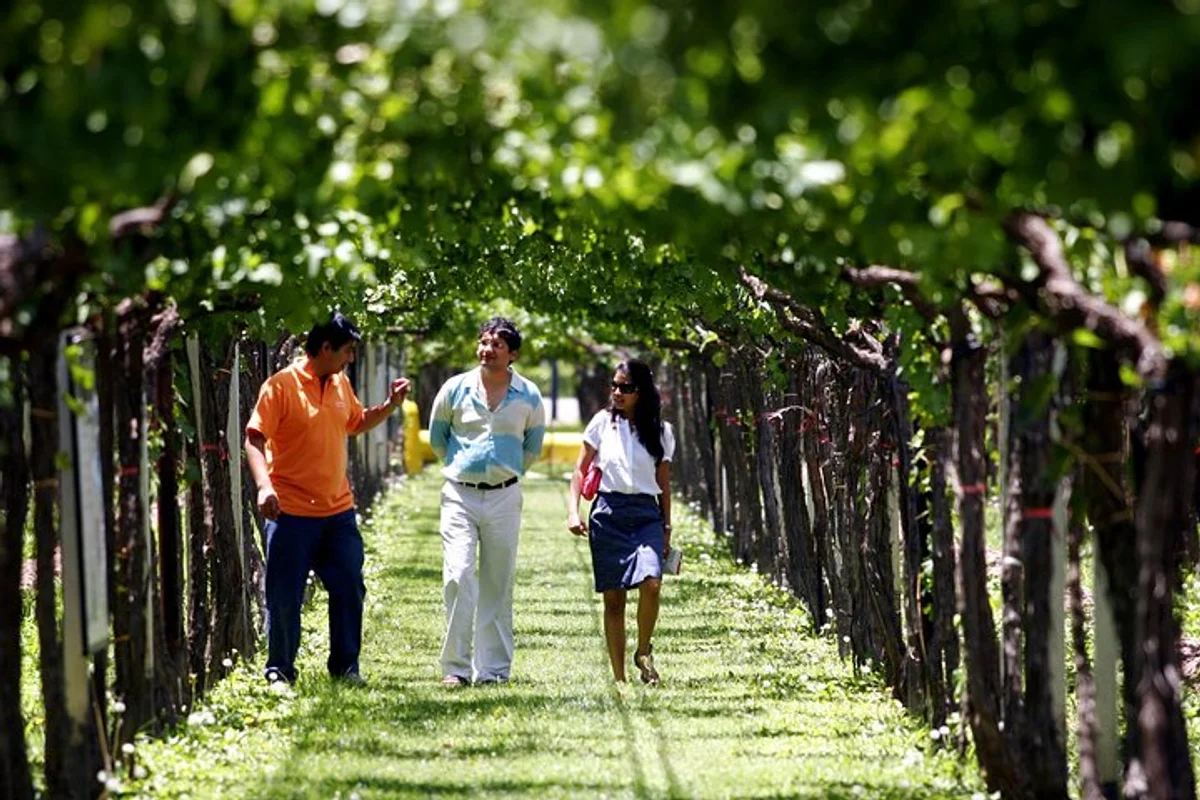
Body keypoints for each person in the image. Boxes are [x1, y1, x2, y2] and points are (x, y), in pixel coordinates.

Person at [244, 312, 410, 687]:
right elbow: (254, 438)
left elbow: (355, 422)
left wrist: (389, 405)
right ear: (325, 348)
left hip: (337, 511)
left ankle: (346, 668)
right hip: (290, 512)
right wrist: (264, 486)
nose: (351, 358)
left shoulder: (339, 383)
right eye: (347, 350)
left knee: (349, 583)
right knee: (285, 595)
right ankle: (280, 671)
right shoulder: (281, 386)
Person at [429, 317, 545, 687]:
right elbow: (438, 438)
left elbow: (532, 446)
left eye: (496, 344)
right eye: (483, 342)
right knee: (458, 575)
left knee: (498, 581)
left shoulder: (529, 395)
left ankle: (493, 670)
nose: (487, 350)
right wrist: (463, 467)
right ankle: (456, 668)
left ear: (512, 354)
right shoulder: (455, 389)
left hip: (504, 496)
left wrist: (506, 472)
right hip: (459, 494)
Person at [567, 359, 674, 685]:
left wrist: (667, 527)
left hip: (646, 515)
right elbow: (580, 470)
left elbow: (664, 482)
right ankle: (619, 679)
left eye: (625, 387)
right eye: (614, 385)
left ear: (642, 391)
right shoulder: (602, 422)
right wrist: (573, 511)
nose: (617, 392)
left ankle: (643, 650)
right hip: (608, 513)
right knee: (614, 600)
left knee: (652, 582)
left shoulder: (661, 431)